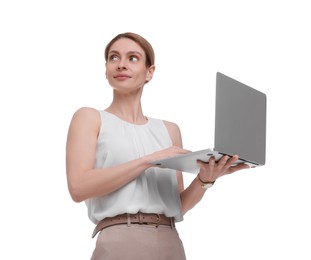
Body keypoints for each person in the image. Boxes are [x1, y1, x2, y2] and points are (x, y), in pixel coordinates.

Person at [65, 32, 249, 260]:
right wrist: (148, 160)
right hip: (120, 240)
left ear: (149, 72)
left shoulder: (169, 130)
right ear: (106, 70)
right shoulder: (90, 118)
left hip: (170, 241)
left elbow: (178, 205)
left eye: (132, 58)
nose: (121, 64)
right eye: (114, 58)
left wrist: (205, 179)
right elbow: (79, 187)